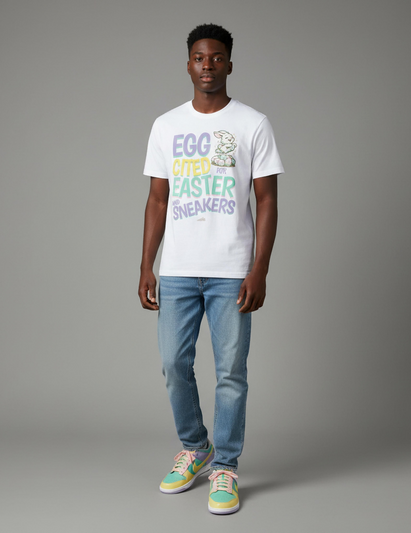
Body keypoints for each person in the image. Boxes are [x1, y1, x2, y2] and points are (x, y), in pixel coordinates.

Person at [139, 23, 284, 515]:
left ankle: (225, 465)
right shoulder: (166, 126)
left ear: (229, 64)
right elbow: (157, 200)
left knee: (230, 374)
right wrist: (147, 264)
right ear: (188, 65)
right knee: (173, 365)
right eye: (200, 58)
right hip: (178, 269)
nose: (208, 65)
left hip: (231, 270)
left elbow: (267, 201)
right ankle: (195, 447)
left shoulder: (252, 123)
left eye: (217, 57)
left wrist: (259, 268)